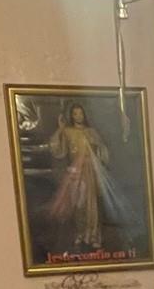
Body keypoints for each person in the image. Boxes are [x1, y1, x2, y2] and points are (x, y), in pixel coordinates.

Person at [43, 102, 124, 252]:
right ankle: (80, 233)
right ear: (71, 116)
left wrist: (96, 149)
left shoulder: (91, 132)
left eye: (80, 113)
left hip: (91, 171)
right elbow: (57, 148)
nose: (78, 116)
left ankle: (93, 236)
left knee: (92, 204)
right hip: (76, 172)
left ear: (84, 114)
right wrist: (60, 129)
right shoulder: (68, 132)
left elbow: (103, 151)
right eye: (75, 114)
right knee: (78, 204)